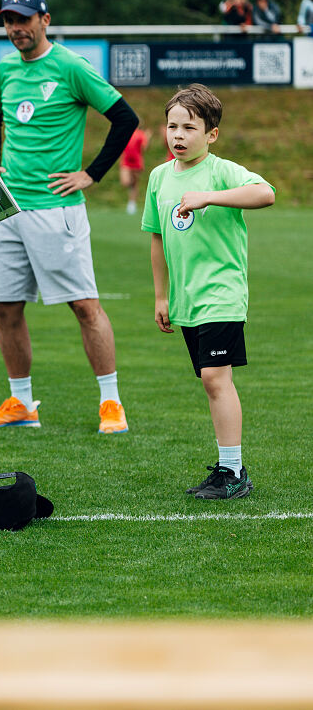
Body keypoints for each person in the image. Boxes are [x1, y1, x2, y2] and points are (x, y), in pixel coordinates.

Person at [0, 0, 140, 434]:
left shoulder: (70, 66)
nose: (16, 29)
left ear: (44, 20)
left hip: (57, 209)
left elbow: (125, 118)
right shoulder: (5, 70)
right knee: (6, 308)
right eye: (9, 20)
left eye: (23, 19)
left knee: (85, 306)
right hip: (7, 210)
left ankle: (111, 402)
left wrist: (92, 173)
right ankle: (22, 403)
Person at [142, 84, 274, 500]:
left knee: (217, 379)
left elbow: (265, 193)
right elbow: (157, 238)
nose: (178, 136)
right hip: (187, 300)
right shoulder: (159, 177)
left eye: (189, 128)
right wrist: (161, 296)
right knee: (209, 381)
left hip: (222, 293)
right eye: (172, 126)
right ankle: (227, 468)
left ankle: (233, 472)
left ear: (211, 134)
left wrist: (209, 199)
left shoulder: (221, 172)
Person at [119, 126, 151, 215]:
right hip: (126, 161)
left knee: (134, 185)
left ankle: (132, 204)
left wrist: (147, 138)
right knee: (125, 182)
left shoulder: (141, 134)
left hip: (137, 161)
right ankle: (131, 200)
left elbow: (144, 148)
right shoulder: (125, 132)